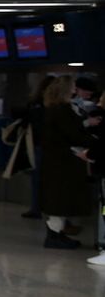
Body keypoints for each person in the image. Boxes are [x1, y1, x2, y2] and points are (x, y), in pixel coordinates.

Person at [39, 75, 98, 250]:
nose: (75, 88)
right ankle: (54, 235)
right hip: (63, 161)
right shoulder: (62, 110)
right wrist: (93, 142)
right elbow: (72, 134)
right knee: (60, 200)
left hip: (58, 160)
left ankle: (58, 234)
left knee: (59, 200)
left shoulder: (54, 108)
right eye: (72, 86)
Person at [19, 75, 54, 219]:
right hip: (44, 145)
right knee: (43, 178)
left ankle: (36, 207)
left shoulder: (34, 103)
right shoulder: (46, 105)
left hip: (36, 144)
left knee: (37, 178)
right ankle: (44, 208)